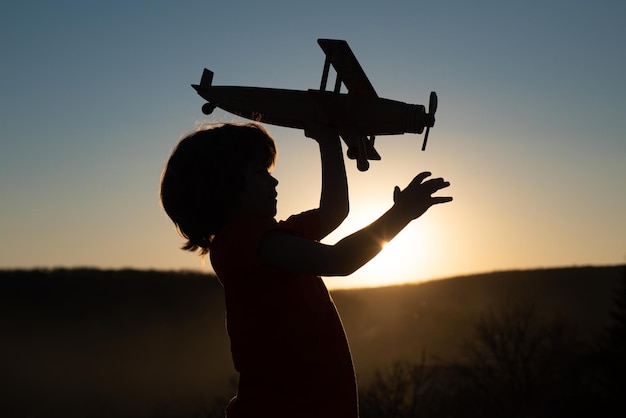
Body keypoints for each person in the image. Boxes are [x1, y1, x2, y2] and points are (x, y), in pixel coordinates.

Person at [160, 122, 452, 418]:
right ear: (223, 187)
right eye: (260, 173)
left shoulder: (268, 237)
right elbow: (341, 260)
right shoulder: (246, 243)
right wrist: (401, 214)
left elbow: (334, 212)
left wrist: (328, 138)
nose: (274, 183)